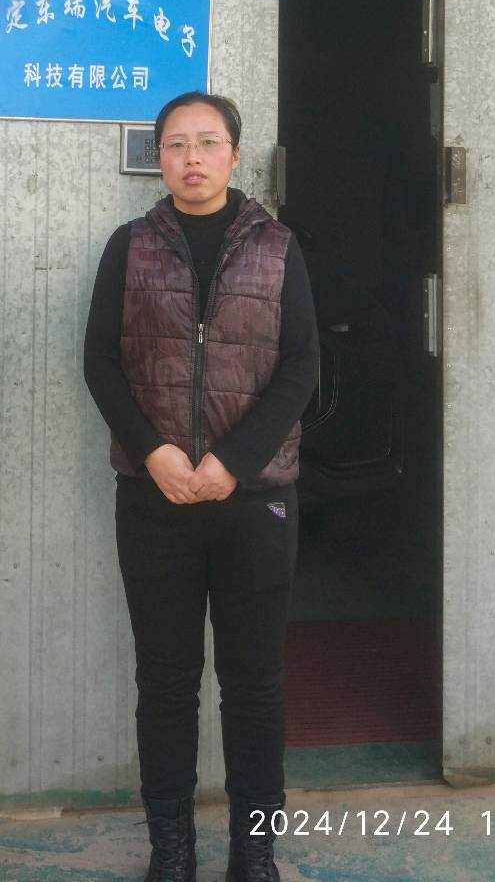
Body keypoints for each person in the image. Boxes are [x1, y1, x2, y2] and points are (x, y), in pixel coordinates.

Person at [84, 91, 319, 882]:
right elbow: (101, 362)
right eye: (177, 144)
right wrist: (153, 453)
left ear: (234, 155)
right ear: (159, 157)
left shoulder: (278, 249)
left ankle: (255, 849)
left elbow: (301, 367)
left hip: (256, 501)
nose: (192, 158)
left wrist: (233, 461)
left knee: (254, 686)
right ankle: (172, 848)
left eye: (208, 142)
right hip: (154, 499)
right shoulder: (129, 248)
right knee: (166, 683)